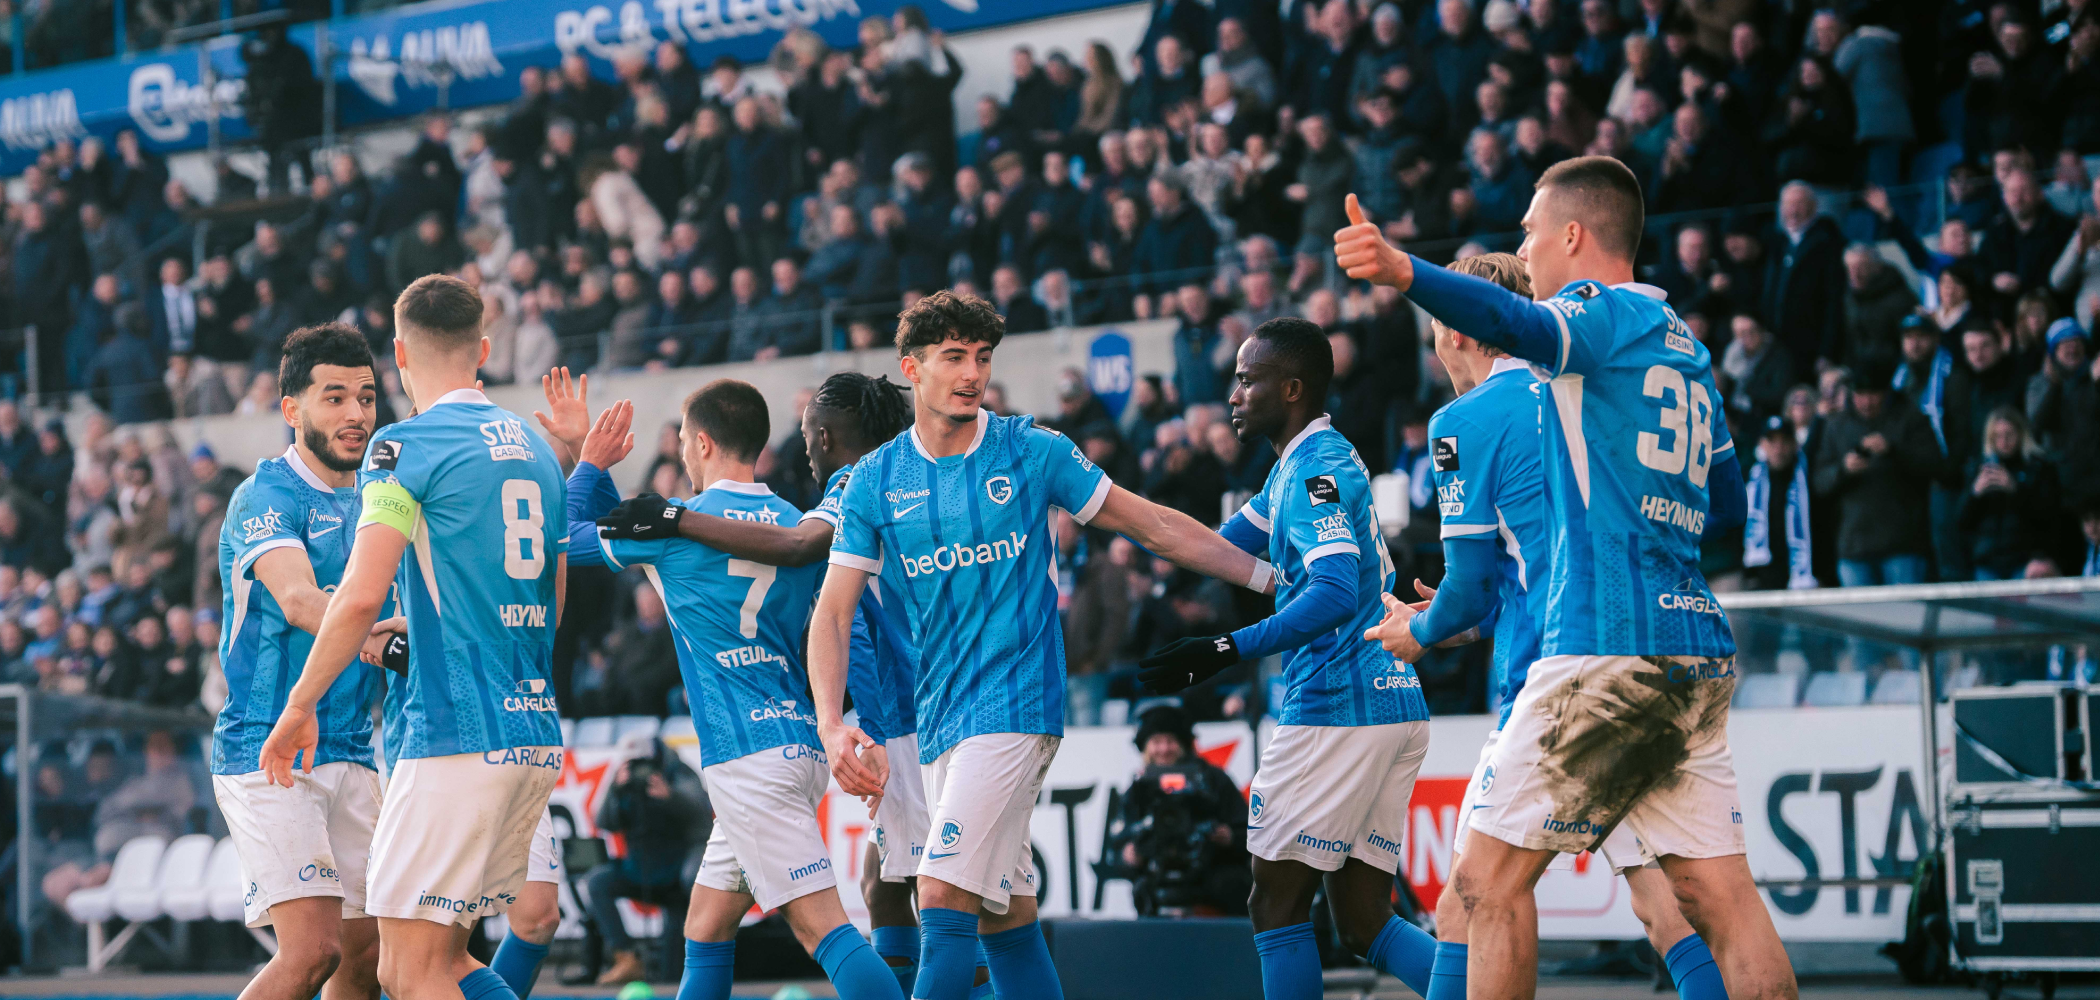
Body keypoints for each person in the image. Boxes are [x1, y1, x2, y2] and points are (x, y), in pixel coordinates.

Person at [1331, 157, 1781, 1000]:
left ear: (1574, 234)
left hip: (1599, 647)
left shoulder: (1590, 317)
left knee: (1485, 885)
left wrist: (1403, 271)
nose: (1527, 251)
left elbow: (1522, 324)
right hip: (1694, 647)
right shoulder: (1685, 345)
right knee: (1715, 898)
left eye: (1533, 231)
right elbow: (1723, 501)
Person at [810, 291, 1273, 1000]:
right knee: (1008, 919)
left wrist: (1264, 575)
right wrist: (831, 724)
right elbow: (833, 615)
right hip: (940, 724)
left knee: (938, 894)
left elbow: (1151, 525)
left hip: (1017, 710)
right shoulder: (876, 481)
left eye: (983, 357)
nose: (972, 373)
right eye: (954, 357)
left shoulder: (1031, 450)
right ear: (912, 368)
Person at [258, 275, 574, 1000]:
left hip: (453, 736)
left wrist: (301, 704)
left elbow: (363, 592)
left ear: (399, 353)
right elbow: (549, 598)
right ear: (483, 349)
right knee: (445, 962)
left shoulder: (402, 448)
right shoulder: (535, 444)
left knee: (409, 969)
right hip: (530, 729)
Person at [562, 379, 905, 1000]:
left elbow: (565, 539)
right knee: (707, 925)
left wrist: (588, 463)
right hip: (794, 743)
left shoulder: (676, 531)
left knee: (823, 931)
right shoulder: (792, 524)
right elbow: (635, 534)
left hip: (748, 758)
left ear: (699, 443)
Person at [1136, 314, 1436, 1000]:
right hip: (1391, 703)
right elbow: (1218, 547)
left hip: (1335, 706)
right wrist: (1123, 526)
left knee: (1273, 905)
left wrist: (1226, 647)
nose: (1233, 394)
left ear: (1292, 387)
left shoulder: (1311, 475)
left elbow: (1331, 593)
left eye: (1247, 380)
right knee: (1363, 920)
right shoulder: (1302, 466)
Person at [211, 324, 391, 1000]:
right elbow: (298, 601)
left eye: (368, 398)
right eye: (335, 397)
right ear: (292, 409)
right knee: (312, 950)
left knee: (365, 955)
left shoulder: (378, 498)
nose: (356, 415)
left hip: (352, 747)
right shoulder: (264, 496)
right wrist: (389, 642)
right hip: (269, 749)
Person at [1111, 705, 1249, 915]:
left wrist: (1229, 836)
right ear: (1146, 747)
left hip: (1211, 875)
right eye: (1157, 742)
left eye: (1170, 741)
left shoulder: (1214, 780)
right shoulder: (1138, 790)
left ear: (1183, 744)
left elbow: (1250, 832)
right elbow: (1120, 843)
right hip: (1156, 877)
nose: (1164, 749)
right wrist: (1129, 856)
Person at [582, 755, 705, 984]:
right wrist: (615, 788)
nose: (644, 774)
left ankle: (678, 973)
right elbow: (604, 821)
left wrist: (671, 797)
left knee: (673, 976)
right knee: (597, 882)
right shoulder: (624, 783)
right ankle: (626, 956)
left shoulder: (678, 774)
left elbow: (701, 814)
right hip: (636, 870)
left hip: (674, 874)